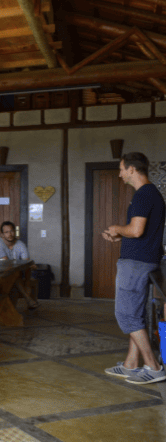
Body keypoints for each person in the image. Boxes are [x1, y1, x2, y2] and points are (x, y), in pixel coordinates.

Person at [103, 152, 166, 384]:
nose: (120, 174)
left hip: (136, 264)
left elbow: (136, 230)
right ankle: (131, 364)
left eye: (121, 169)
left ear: (131, 169)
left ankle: (154, 367)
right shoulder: (151, 194)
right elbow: (143, 233)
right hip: (144, 260)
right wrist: (122, 236)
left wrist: (117, 228)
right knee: (135, 315)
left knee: (126, 314)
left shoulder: (143, 194)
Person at [0, 221, 39, 310]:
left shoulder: (20, 244)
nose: (10, 234)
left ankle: (27, 289)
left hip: (16, 272)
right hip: (2, 273)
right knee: (14, 274)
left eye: (11, 231)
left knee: (26, 269)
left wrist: (27, 282)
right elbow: (7, 263)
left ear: (15, 231)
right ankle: (28, 298)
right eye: (6, 232)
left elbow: (26, 262)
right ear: (2, 234)